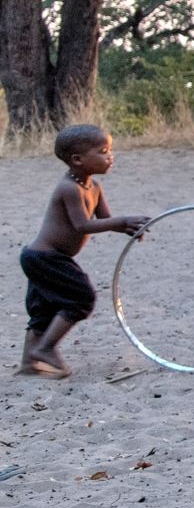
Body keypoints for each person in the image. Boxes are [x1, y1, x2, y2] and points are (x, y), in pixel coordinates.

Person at [18, 125, 149, 379]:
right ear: (78, 160)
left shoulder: (94, 187)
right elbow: (83, 225)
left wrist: (129, 228)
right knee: (82, 299)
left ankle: (28, 364)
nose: (110, 156)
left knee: (44, 310)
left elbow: (106, 220)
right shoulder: (69, 188)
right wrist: (122, 221)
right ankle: (44, 349)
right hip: (45, 258)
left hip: (45, 258)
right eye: (103, 151)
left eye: (110, 150)